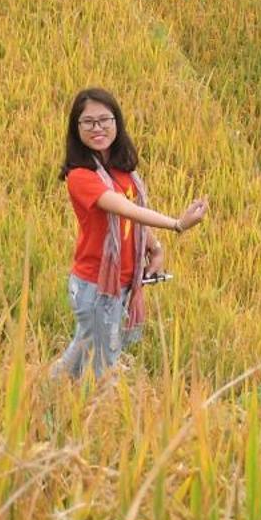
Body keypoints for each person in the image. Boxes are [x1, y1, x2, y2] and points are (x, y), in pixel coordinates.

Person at [55, 86, 209, 381]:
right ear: (76, 129)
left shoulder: (122, 171)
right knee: (101, 365)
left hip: (121, 280)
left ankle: (43, 396)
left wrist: (155, 247)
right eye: (88, 122)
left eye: (104, 120)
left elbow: (132, 224)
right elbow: (124, 209)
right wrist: (177, 224)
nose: (97, 128)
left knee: (81, 353)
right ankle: (87, 414)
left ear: (117, 123)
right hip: (95, 284)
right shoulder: (81, 176)